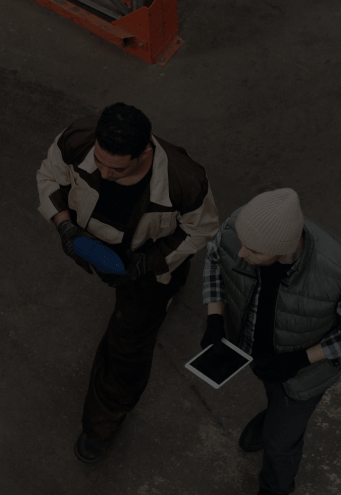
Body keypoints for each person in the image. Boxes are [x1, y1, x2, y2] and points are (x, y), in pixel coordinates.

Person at [36, 103, 220, 463]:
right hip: (93, 241)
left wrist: (147, 264)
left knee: (127, 348)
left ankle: (102, 423)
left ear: (145, 153)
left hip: (146, 264)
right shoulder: (78, 139)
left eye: (116, 168)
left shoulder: (185, 181)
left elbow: (201, 229)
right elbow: (48, 176)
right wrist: (64, 226)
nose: (103, 173)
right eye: (99, 162)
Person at [199, 188, 341, 495]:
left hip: (303, 373)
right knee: (272, 392)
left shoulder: (339, 271)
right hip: (259, 354)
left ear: (283, 250)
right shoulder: (240, 229)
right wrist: (215, 316)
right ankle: (273, 416)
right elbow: (216, 258)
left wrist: (299, 360)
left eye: (252, 251)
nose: (242, 253)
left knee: (279, 446)